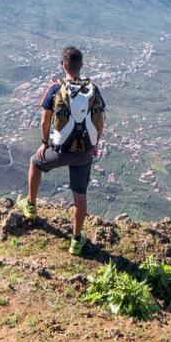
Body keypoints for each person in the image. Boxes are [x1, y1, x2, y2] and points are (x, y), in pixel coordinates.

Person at [24, 45, 106, 254]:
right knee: (80, 195)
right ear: (81, 65)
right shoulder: (93, 90)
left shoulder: (55, 89)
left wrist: (44, 143)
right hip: (84, 152)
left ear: (63, 65)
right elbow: (100, 120)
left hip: (60, 150)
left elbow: (45, 120)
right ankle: (76, 240)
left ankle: (31, 208)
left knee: (35, 163)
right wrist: (94, 144)